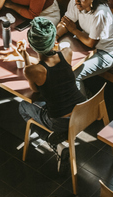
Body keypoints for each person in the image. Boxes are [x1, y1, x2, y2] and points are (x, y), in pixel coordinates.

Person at [8, 17, 86, 168]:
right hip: (83, 111)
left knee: (23, 106)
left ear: (31, 45)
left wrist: (25, 57)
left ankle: (52, 140)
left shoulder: (32, 70)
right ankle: (59, 136)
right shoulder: (67, 52)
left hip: (61, 121)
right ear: (53, 40)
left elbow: (35, 90)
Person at [57, 0, 113, 95]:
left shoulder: (100, 13)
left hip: (108, 51)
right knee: (57, 63)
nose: (76, 2)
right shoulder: (76, 0)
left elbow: (91, 42)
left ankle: (85, 108)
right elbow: (66, 21)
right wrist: (54, 37)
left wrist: (73, 30)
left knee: (74, 75)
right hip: (85, 40)